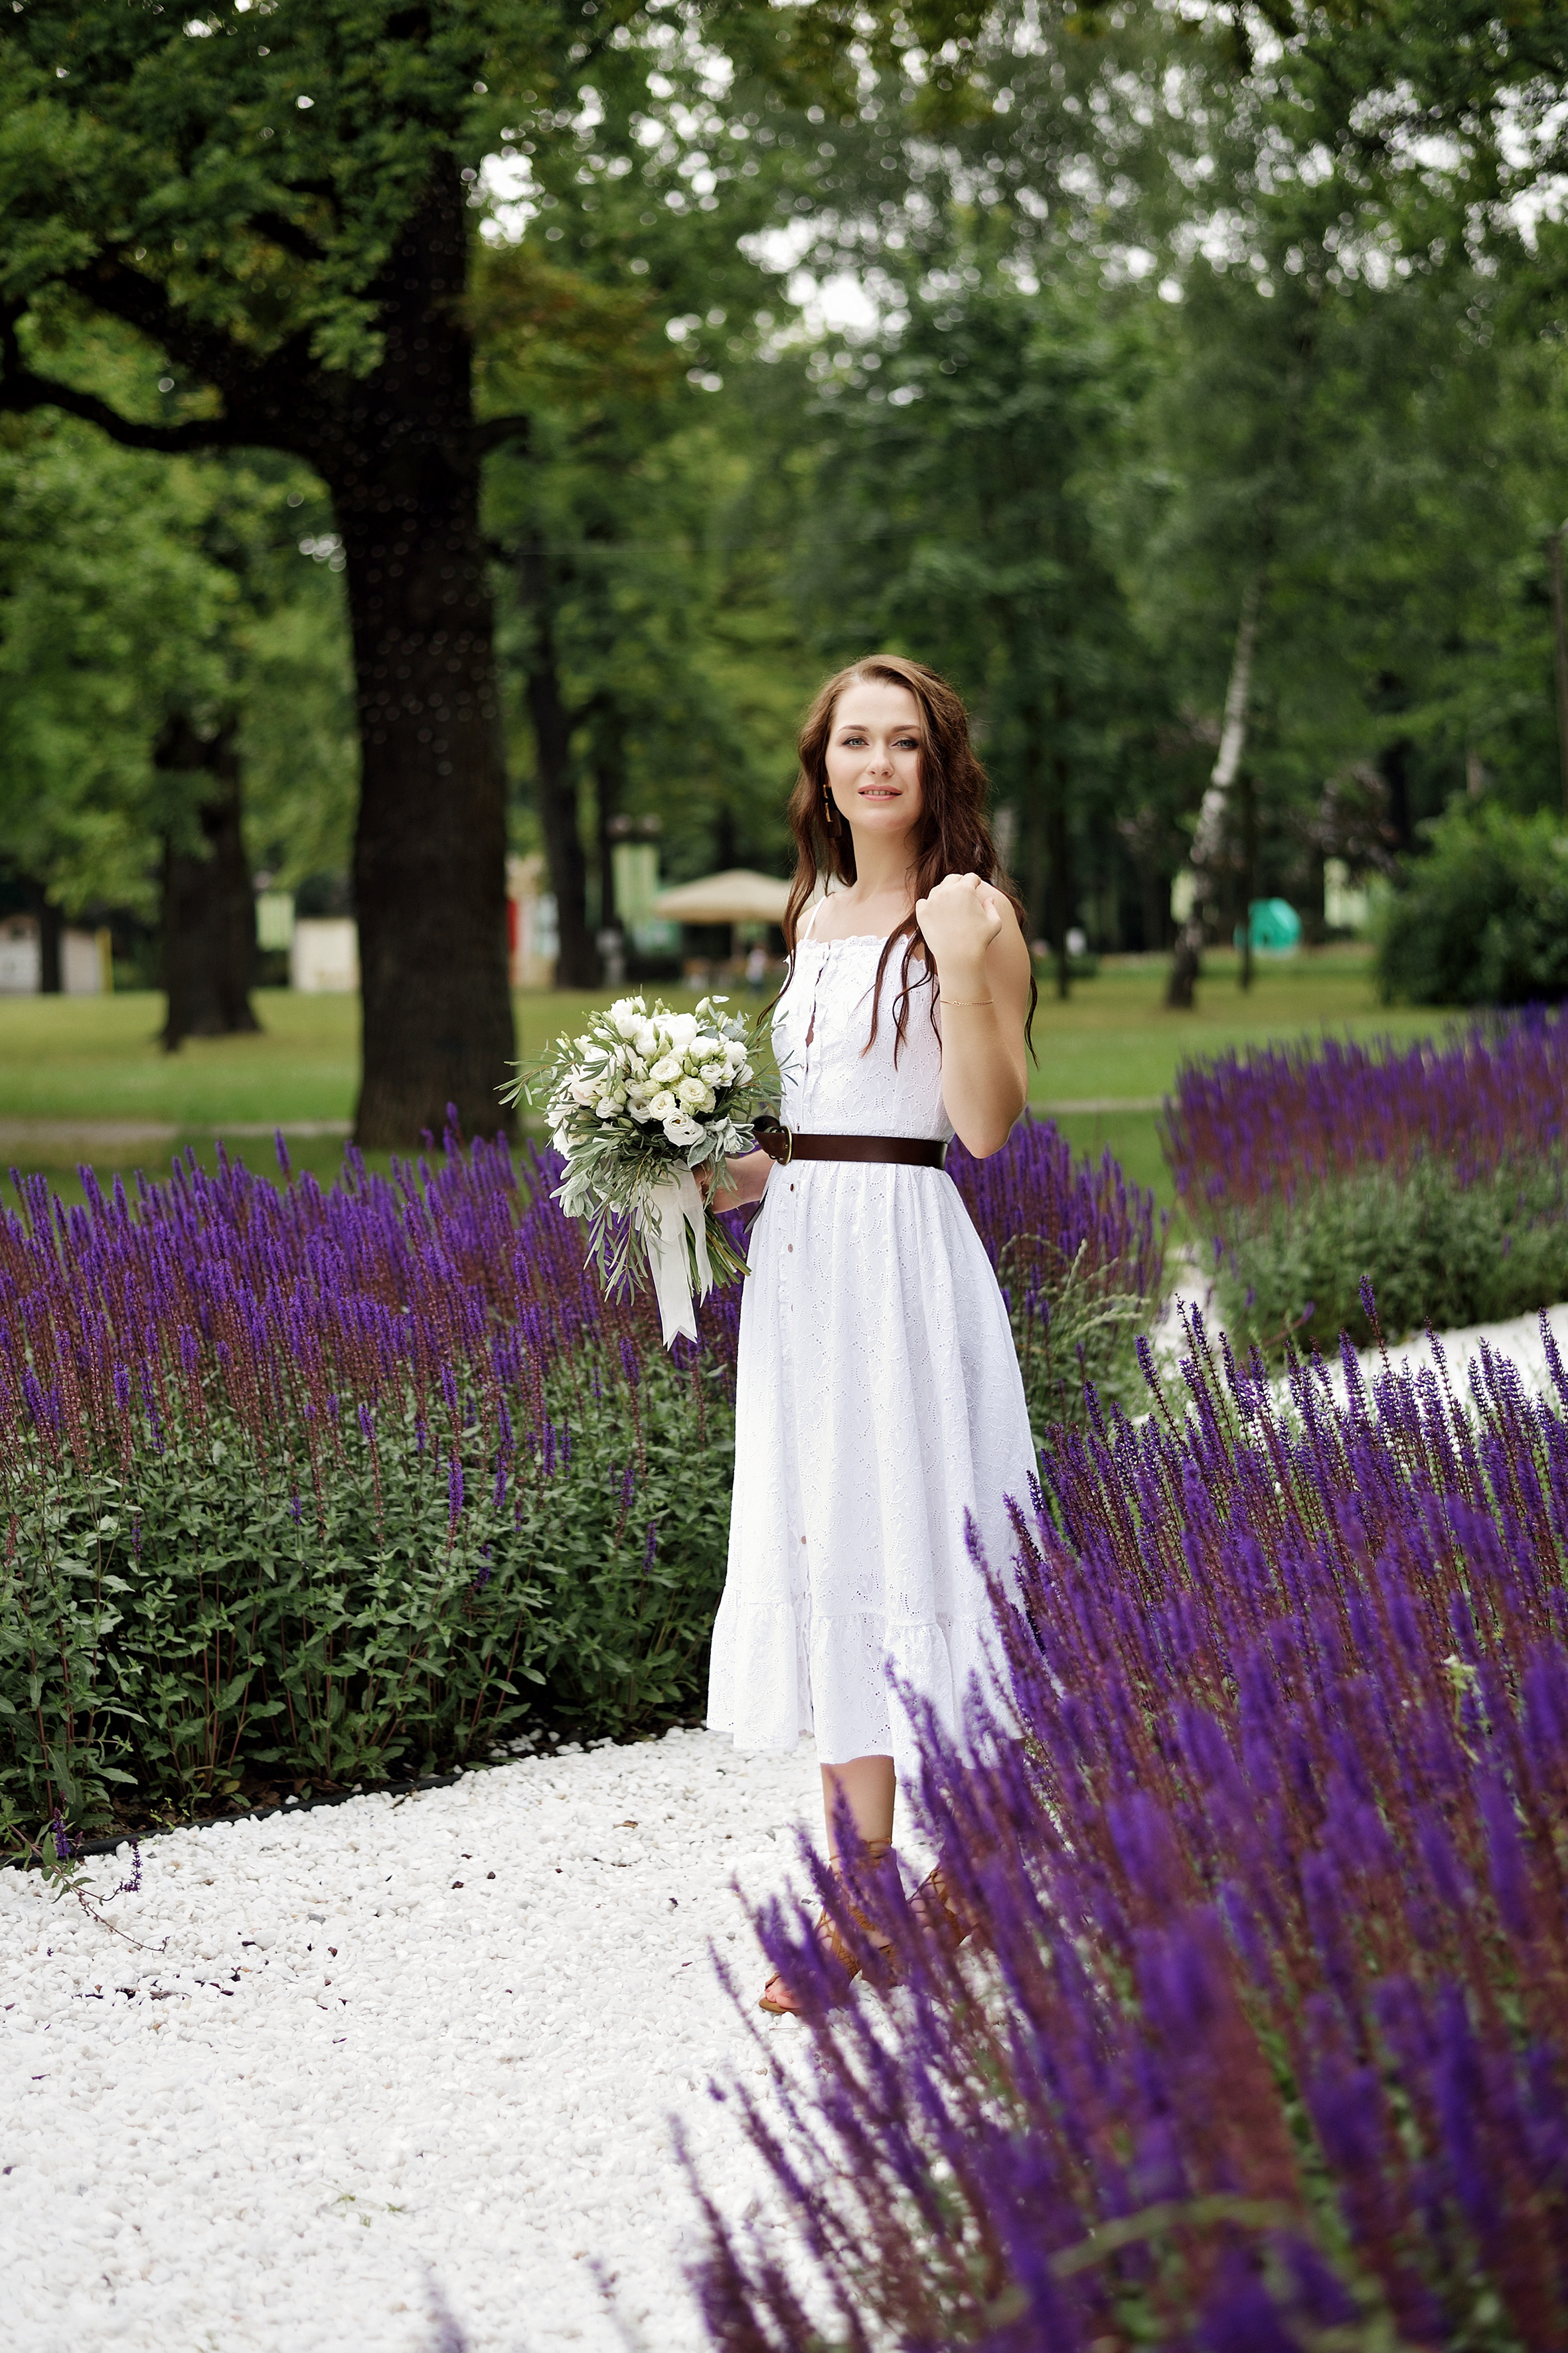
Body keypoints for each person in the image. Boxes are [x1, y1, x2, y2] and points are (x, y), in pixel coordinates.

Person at [704, 654, 1038, 2013]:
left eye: (903, 741)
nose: (877, 763)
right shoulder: (811, 914)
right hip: (802, 1266)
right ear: (823, 766)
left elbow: (982, 1124)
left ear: (936, 764)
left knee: (924, 1534)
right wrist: (716, 1174)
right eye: (855, 740)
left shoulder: (975, 913)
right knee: (825, 1537)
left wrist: (957, 965)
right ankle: (863, 1890)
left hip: (906, 1261)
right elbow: (815, 1126)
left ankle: (972, 1864)